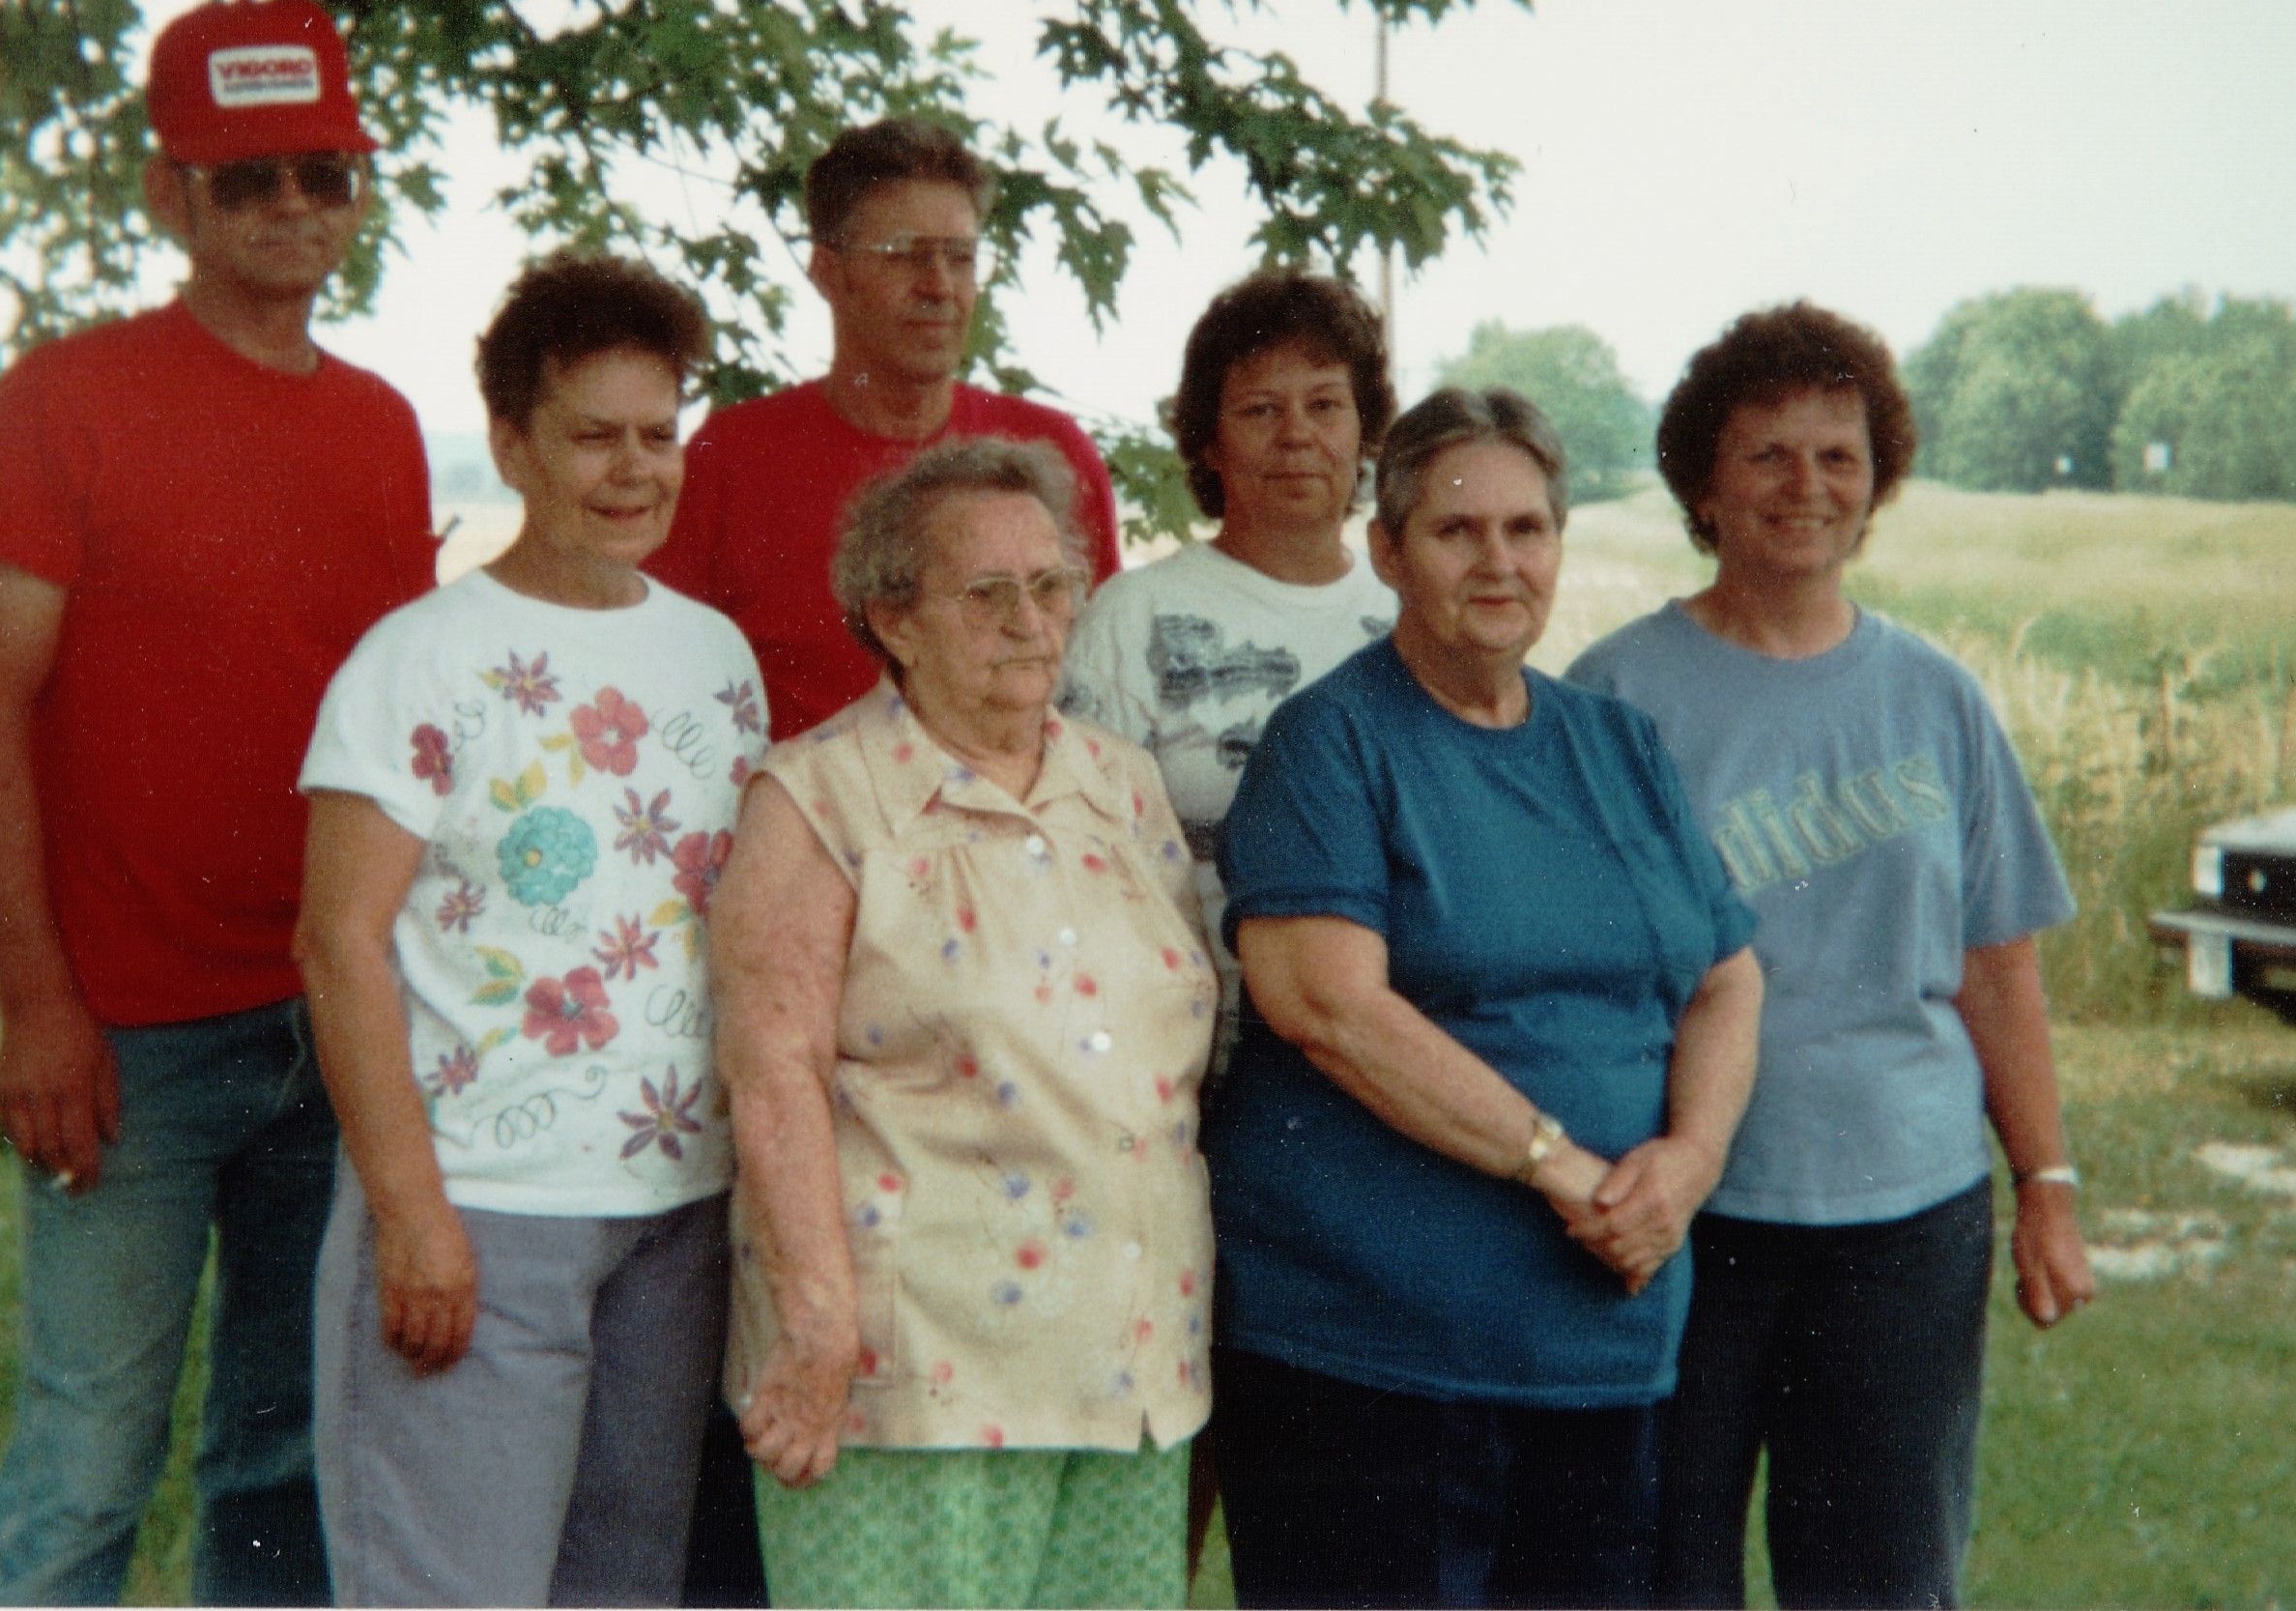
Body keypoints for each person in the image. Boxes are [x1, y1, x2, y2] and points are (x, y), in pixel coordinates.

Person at [0, 0, 440, 1604]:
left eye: (326, 170)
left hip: (327, 1019)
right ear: (170, 198)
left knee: (286, 1453)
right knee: (88, 1453)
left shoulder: (377, 426)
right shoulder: (63, 400)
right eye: (248, 179)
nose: (296, 206)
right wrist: (35, 1001)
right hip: (124, 1034)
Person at [1564, 303, 2095, 1610]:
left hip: (1904, 1220)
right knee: (1658, 1570)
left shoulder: (1937, 698)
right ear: (1702, 479)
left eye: (1837, 456)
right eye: (1767, 454)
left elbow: (1995, 967)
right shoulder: (1615, 695)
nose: (1806, 486)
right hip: (1685, 1211)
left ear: (1876, 480)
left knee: (1875, 1578)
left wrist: (2044, 1178)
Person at [1207, 388, 1765, 1611]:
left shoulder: (1617, 748)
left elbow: (1727, 975)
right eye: (1459, 532)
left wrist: (1691, 1157)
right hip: (1370, 1362)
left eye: (1529, 529)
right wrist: (1565, 1169)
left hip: (1604, 1355)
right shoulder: (1331, 745)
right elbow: (1330, 1009)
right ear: (1390, 551)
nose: (1500, 561)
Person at [293, 255, 769, 1605]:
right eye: (591, 435)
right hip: (482, 1216)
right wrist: (411, 1213)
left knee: (622, 1587)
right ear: (511, 441)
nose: (632, 470)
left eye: (657, 434)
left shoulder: (713, 655)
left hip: (673, 1212)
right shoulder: (418, 659)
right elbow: (338, 946)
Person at [710, 439, 1218, 1609]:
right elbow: (772, 1074)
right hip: (914, 1378)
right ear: (892, 617)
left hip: (1130, 1364)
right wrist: (818, 1328)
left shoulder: (1122, 785)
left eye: (1050, 587)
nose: (1030, 622)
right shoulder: (820, 799)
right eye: (986, 594)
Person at [647, 117, 1123, 741]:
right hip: (804, 825)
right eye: (904, 255)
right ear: (827, 271)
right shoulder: (729, 456)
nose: (939, 286)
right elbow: (657, 678)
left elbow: (1098, 681)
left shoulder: (1046, 453)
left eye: (960, 258)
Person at [1060, 267, 1398, 1072]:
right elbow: (1080, 866)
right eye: (1258, 410)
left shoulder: (1410, 611)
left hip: (1400, 1052)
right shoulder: (1132, 616)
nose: (1296, 436)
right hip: (1194, 1061)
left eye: (1325, 404)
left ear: (1365, 429)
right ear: (1208, 441)